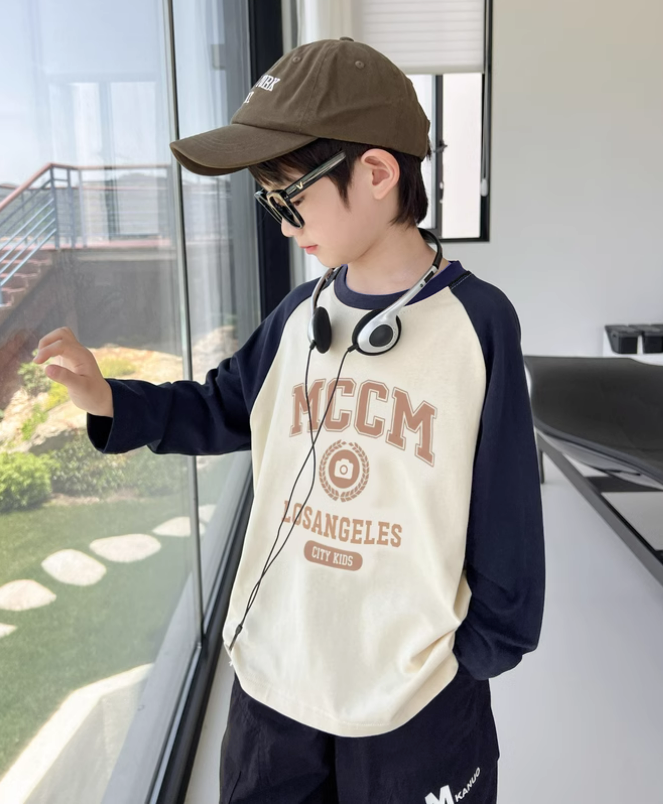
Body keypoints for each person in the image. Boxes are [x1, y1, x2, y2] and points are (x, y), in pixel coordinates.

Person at [33, 37, 546, 804]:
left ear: (377, 174)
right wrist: (110, 398)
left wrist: (476, 653)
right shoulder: (299, 315)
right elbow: (222, 406)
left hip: (415, 699)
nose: (281, 225)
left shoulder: (478, 325)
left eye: (289, 199)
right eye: (268, 203)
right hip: (276, 680)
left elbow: (507, 507)